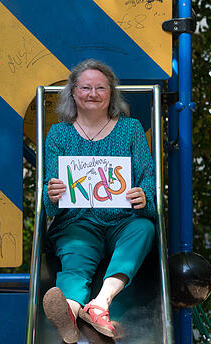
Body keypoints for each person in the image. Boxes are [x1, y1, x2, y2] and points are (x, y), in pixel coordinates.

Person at [41, 59, 156, 342]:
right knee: (75, 257)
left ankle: (100, 304)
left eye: (100, 88)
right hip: (78, 221)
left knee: (144, 230)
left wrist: (143, 195)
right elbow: (51, 195)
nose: (93, 93)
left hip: (123, 220)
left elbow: (147, 179)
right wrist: (51, 193)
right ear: (73, 93)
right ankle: (68, 310)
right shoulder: (59, 134)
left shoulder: (130, 130)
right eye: (85, 87)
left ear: (111, 93)